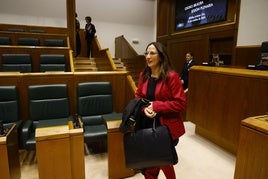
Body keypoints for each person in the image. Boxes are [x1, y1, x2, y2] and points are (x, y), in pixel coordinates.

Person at [135, 42, 187, 179]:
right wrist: (144, 109)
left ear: (161, 56)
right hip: (147, 124)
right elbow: (138, 98)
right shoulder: (144, 75)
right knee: (151, 161)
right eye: (146, 53)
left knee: (162, 160)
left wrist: (157, 106)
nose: (148, 56)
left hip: (166, 127)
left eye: (152, 53)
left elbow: (181, 103)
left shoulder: (172, 77)